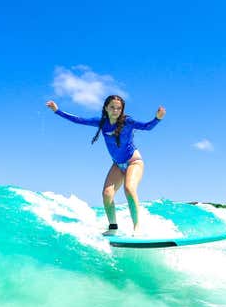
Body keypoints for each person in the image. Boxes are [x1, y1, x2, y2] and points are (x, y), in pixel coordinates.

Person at [46, 96, 165, 236]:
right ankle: (113, 227)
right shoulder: (102, 123)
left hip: (134, 162)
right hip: (118, 164)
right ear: (106, 108)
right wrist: (57, 111)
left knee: (129, 188)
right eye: (112, 107)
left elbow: (147, 127)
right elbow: (79, 120)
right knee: (107, 194)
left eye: (119, 108)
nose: (116, 110)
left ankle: (137, 227)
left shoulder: (128, 122)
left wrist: (157, 118)